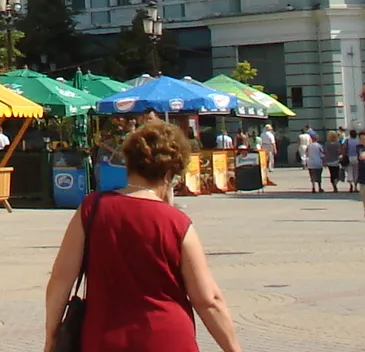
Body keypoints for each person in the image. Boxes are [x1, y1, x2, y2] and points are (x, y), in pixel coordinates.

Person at [41, 120, 242, 352]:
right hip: (168, 340)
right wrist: (233, 348)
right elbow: (208, 300)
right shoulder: (177, 223)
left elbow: (60, 279)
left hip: (103, 339)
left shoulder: (92, 209)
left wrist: (51, 337)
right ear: (168, 174)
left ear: (129, 163)